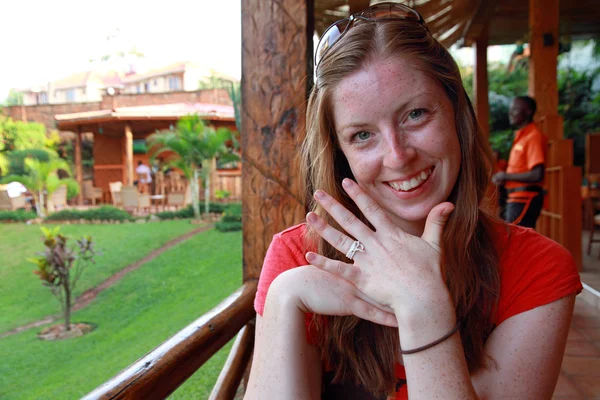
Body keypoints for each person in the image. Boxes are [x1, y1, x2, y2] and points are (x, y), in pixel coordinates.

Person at [245, 3, 581, 400]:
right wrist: (287, 295)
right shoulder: (298, 257)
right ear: (341, 156)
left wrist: (423, 305)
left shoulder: (538, 269)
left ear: (457, 115)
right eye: (362, 135)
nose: (398, 156)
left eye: (415, 114)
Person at [492, 96, 547, 228]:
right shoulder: (521, 137)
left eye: (515, 109)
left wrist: (506, 176)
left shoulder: (533, 136)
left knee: (517, 243)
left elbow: (537, 174)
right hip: (515, 198)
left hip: (525, 198)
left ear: (528, 111)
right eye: (510, 109)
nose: (511, 113)